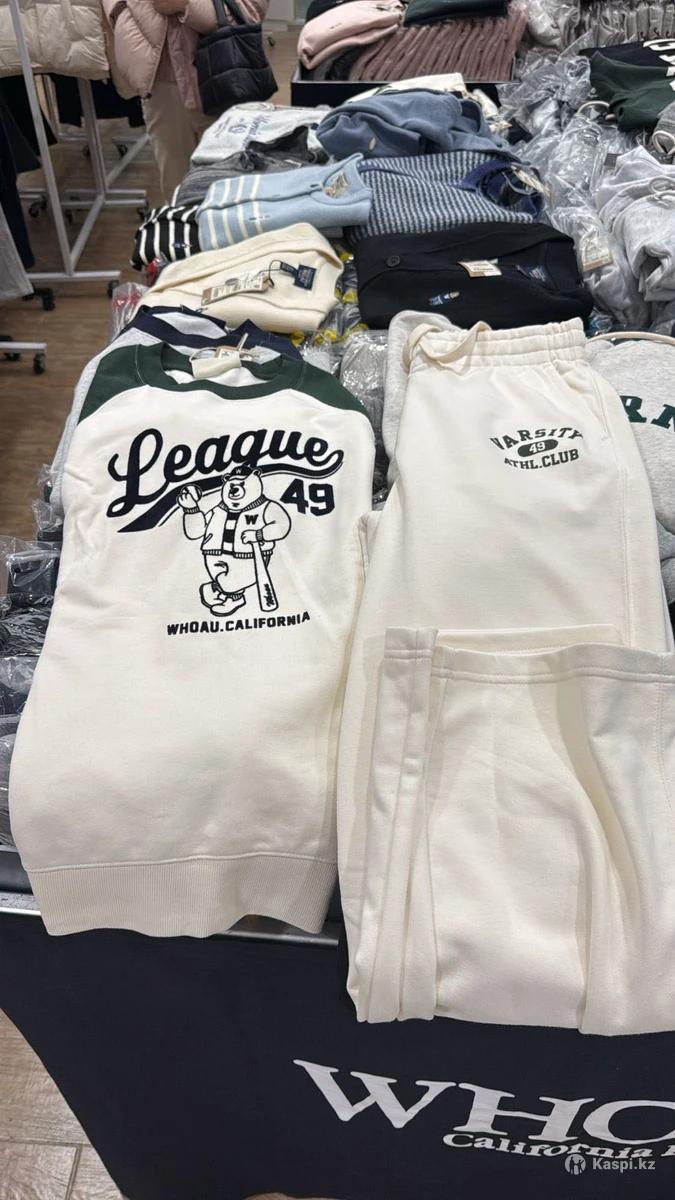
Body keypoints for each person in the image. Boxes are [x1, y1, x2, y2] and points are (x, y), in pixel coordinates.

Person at [103, 0, 268, 200]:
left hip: (226, 76)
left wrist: (188, 5)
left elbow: (251, 10)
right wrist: (126, 16)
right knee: (177, 189)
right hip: (161, 83)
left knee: (231, 188)